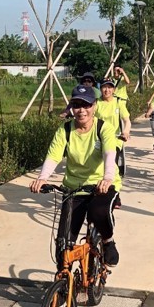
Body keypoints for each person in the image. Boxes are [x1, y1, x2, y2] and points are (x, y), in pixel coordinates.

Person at [30, 84, 121, 266]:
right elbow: (54, 155)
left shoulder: (103, 128)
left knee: (99, 211)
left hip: (101, 185)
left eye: (86, 105)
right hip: (74, 188)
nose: (81, 110)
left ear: (94, 106)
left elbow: (109, 153)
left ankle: (108, 242)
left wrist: (107, 177)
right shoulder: (65, 130)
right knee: (63, 244)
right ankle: (64, 283)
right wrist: (42, 177)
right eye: (77, 105)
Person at [96, 78, 132, 162]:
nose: (107, 90)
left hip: (114, 138)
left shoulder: (118, 102)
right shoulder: (96, 103)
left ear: (114, 90)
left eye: (109, 87)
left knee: (111, 162)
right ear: (100, 89)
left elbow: (127, 121)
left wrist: (126, 132)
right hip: (98, 138)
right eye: (104, 87)